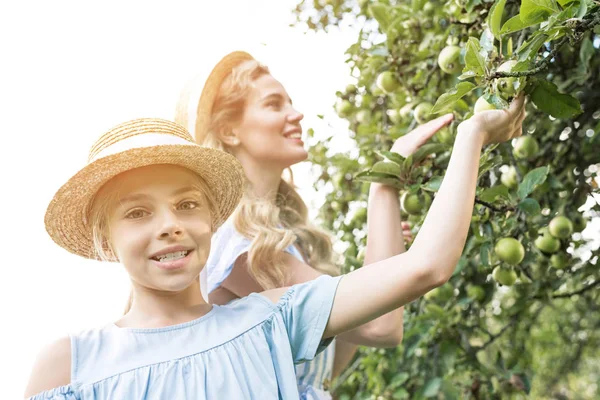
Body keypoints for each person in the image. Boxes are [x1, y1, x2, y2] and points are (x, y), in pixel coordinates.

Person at [25, 90, 525, 398]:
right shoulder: (70, 364)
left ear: (212, 218)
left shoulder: (269, 319)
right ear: (103, 237)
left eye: (187, 205)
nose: (169, 225)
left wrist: (471, 134)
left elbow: (426, 267)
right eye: (137, 213)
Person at [175, 51, 458, 398]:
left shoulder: (279, 243)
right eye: (274, 104)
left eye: (290, 103)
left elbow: (325, 370)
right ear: (229, 131)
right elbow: (379, 328)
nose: (296, 114)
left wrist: (380, 262)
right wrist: (385, 179)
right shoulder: (237, 247)